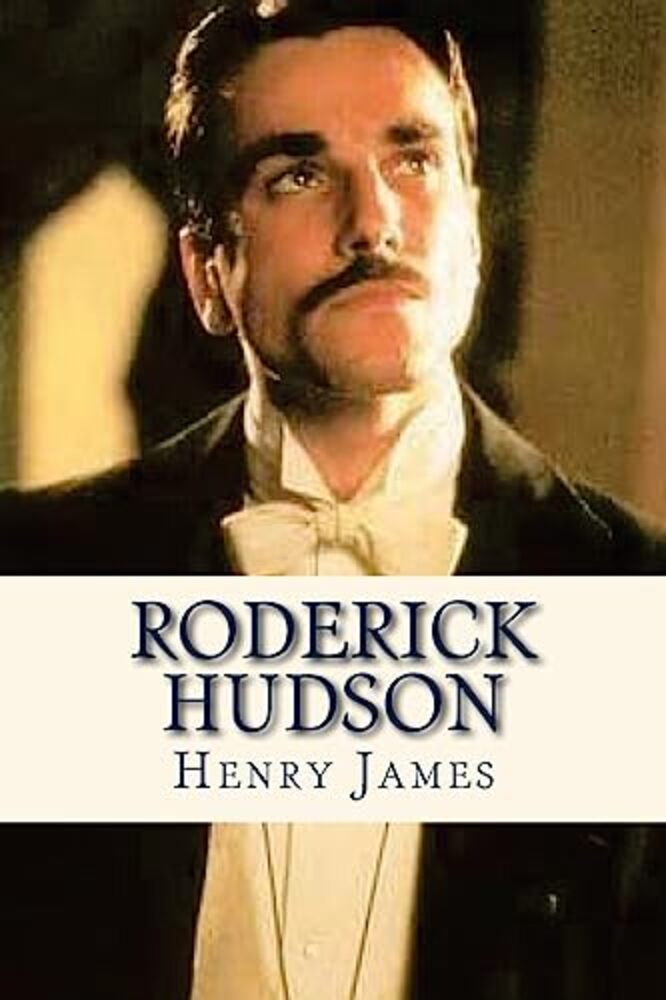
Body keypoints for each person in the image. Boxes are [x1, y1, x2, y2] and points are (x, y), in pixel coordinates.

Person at [1, 3, 664, 999]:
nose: (373, 223)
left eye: (413, 161)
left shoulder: (633, 593)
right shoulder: (39, 576)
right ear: (208, 273)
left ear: (473, 235)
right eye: (299, 175)